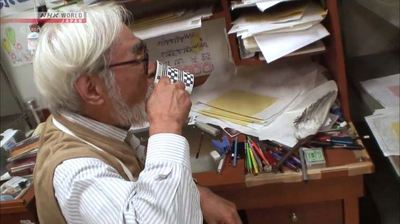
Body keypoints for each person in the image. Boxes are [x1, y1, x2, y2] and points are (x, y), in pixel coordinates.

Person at [33, 2, 242, 224]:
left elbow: (143, 173)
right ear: (92, 89)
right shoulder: (77, 175)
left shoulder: (96, 123)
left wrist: (199, 196)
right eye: (139, 59)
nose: (151, 67)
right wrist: (166, 124)